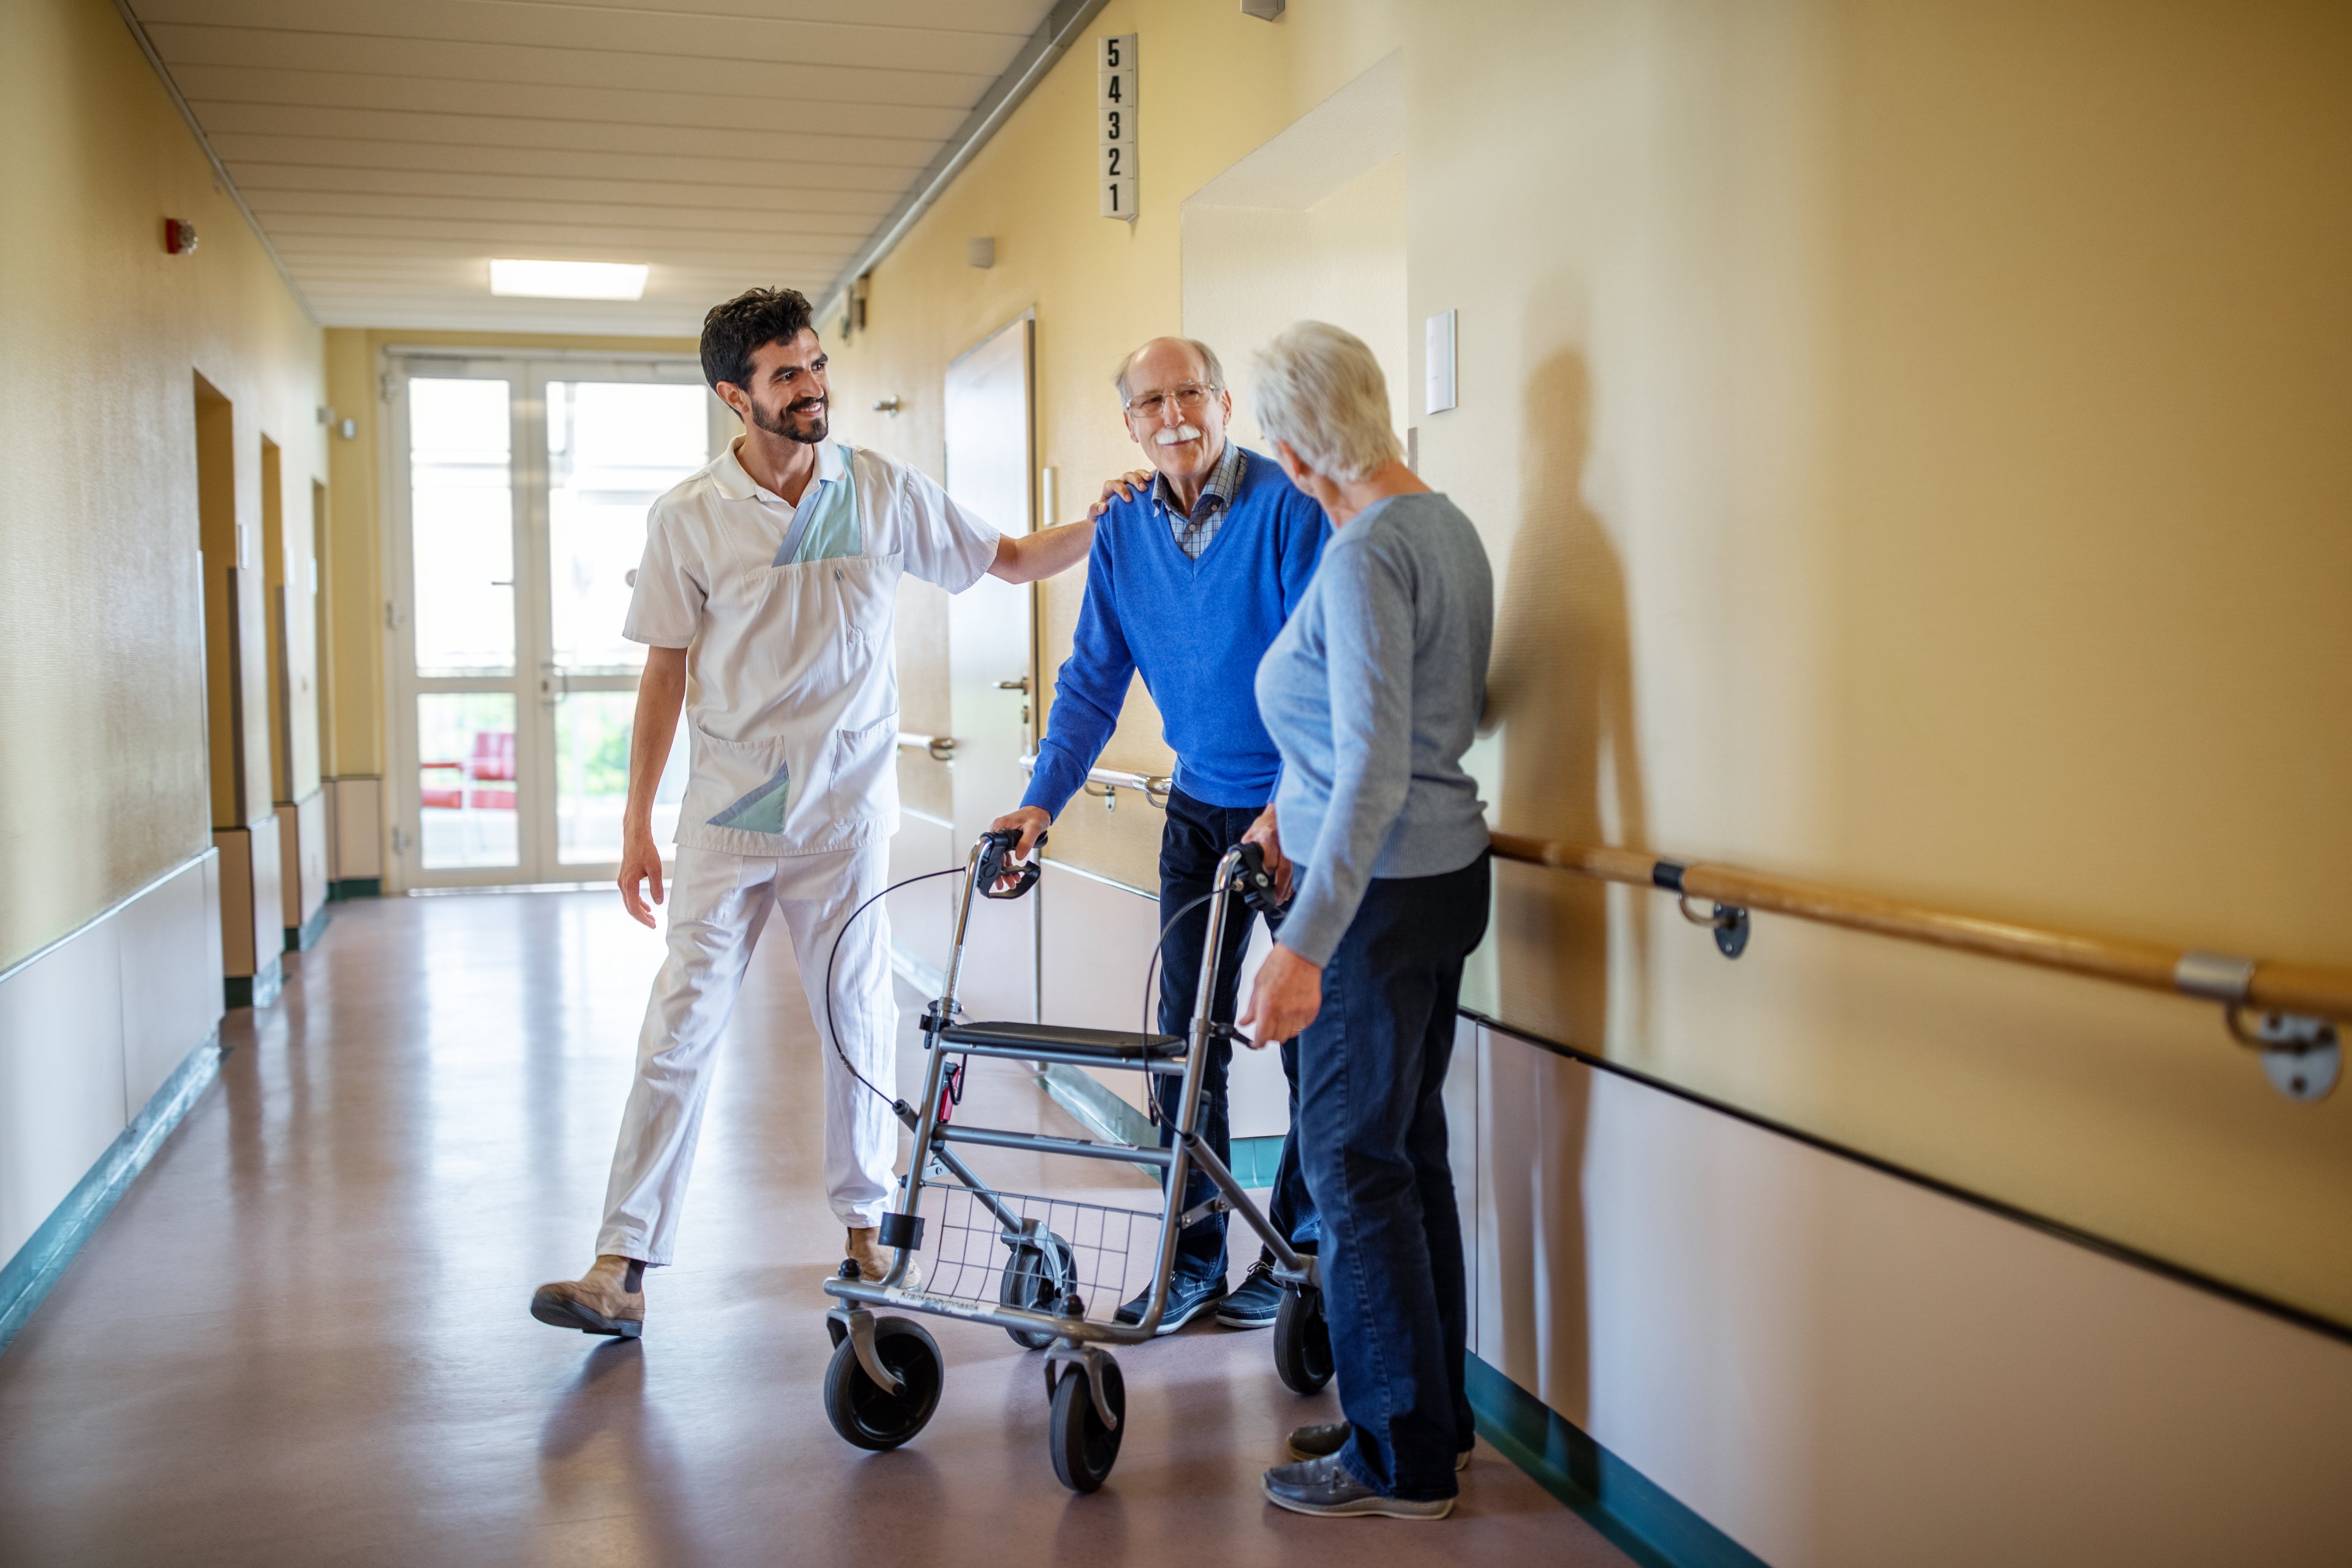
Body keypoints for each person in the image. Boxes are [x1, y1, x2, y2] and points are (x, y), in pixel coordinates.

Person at [530, 287, 1093, 1340]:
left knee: (856, 1019)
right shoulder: (689, 516)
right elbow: (663, 674)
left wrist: (1110, 523)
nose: (813, 389)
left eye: (817, 366)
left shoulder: (873, 488)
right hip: (737, 802)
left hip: (842, 803)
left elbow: (1008, 559)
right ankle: (621, 1264)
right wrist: (634, 824)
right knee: (681, 1023)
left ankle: (866, 1229)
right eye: (787, 374)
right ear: (732, 396)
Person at [992, 337, 1330, 1334]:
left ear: (1226, 403)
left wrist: (1287, 812)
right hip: (1197, 812)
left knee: (1310, 1043)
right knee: (1184, 1049)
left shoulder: (1285, 508)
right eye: (1153, 401)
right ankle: (1189, 1263)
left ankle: (1297, 1253)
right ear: (1131, 424)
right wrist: (1040, 800)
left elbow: (1320, 676)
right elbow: (1092, 682)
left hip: (1294, 811)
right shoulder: (1121, 529)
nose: (1175, 414)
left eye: (1192, 392)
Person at [1237, 322, 1494, 1520]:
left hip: (1376, 898)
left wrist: (1302, 945)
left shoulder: (1362, 552)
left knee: (1349, 1162)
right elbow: (1415, 724)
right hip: (1438, 877)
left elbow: (1376, 769)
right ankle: (1429, 1415)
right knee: (1405, 1155)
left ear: (1296, 448)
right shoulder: (1446, 523)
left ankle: (1400, 1454)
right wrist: (1287, 809)